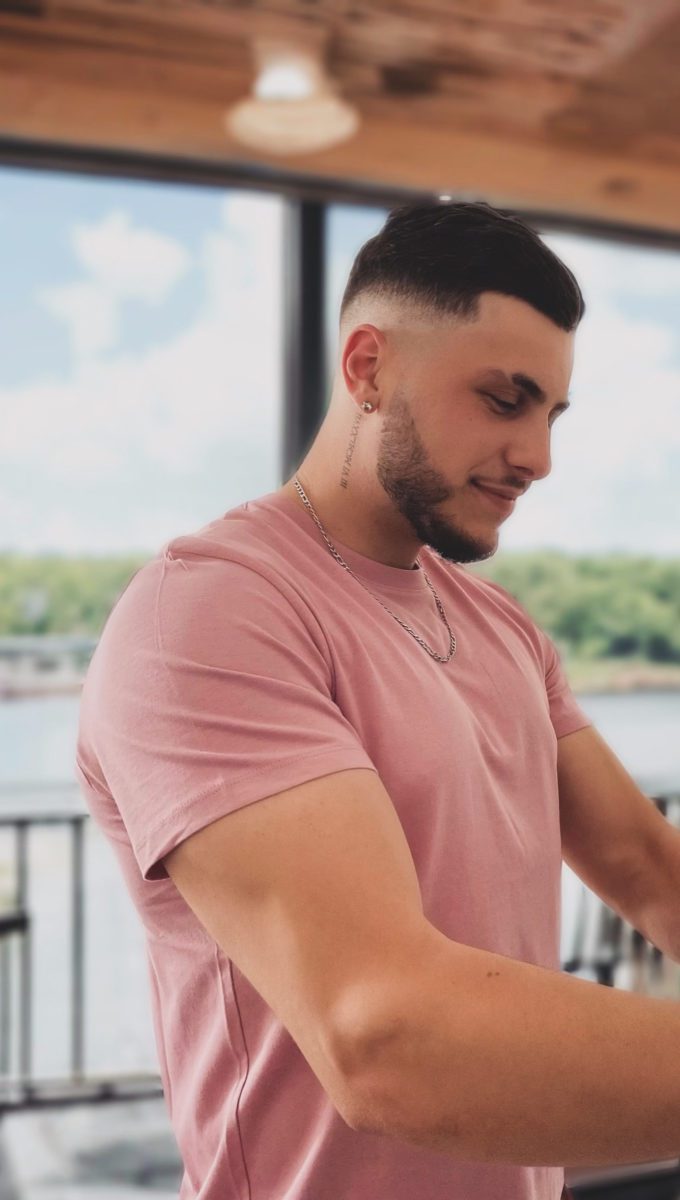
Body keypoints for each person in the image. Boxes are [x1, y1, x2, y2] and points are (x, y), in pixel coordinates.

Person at [75, 201, 670, 1199]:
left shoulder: (502, 628)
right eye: (504, 400)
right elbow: (382, 1033)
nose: (537, 456)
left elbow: (647, 865)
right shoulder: (209, 611)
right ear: (366, 368)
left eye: (550, 416)